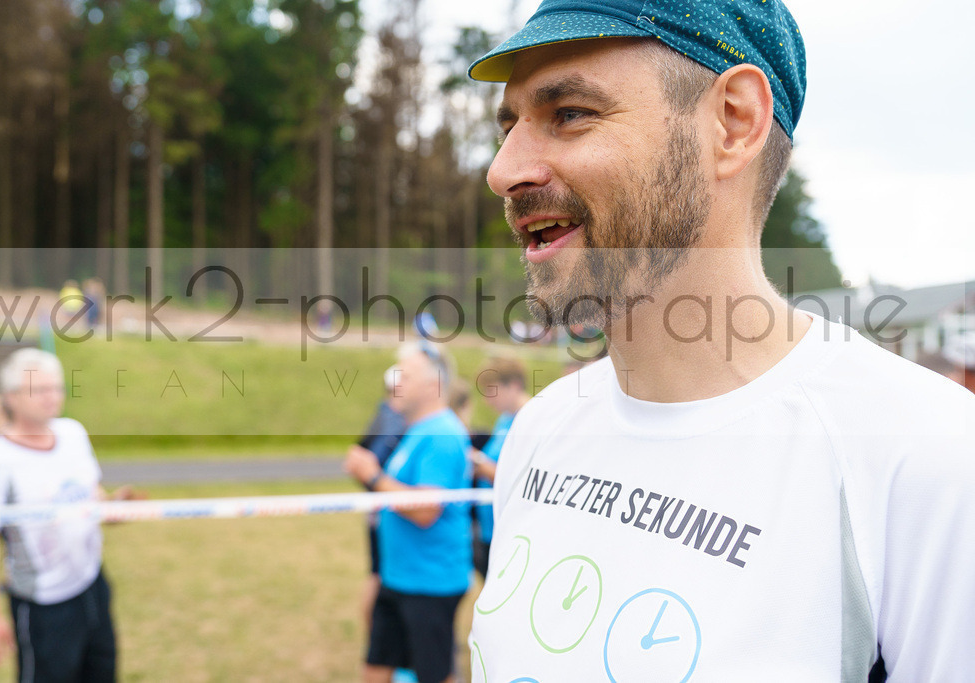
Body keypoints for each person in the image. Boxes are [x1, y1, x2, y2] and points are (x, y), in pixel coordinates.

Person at [464, 1, 975, 681]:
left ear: (734, 121)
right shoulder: (542, 427)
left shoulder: (928, 463)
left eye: (570, 113)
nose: (504, 170)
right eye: (510, 124)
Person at [0, 348, 136, 682]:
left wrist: (112, 506)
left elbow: (89, 494)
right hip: (43, 605)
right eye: (38, 390)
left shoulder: (73, 433)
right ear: (11, 397)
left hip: (92, 585)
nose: (51, 397)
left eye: (56, 387)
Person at [343, 342, 473, 683]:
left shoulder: (443, 434)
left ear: (434, 386)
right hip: (398, 578)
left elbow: (425, 509)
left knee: (434, 674)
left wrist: (372, 475)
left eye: (405, 376)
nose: (395, 383)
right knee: (375, 669)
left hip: (429, 584)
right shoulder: (415, 430)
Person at [355, 367, 408, 633]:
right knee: (379, 578)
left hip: (381, 508)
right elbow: (362, 462)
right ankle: (379, 641)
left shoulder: (383, 415)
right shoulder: (393, 420)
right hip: (385, 511)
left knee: (377, 576)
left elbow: (357, 454)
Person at [470, 357, 530, 579]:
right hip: (490, 528)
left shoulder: (531, 421)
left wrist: (479, 464)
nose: (487, 400)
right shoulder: (504, 420)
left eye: (492, 391)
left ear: (513, 386)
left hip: (513, 532)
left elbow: (525, 479)